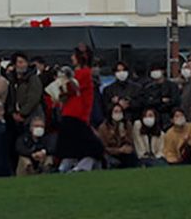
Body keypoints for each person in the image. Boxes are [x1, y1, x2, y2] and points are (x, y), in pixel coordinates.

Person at [57, 45, 103, 173]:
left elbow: (71, 87)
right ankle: (73, 163)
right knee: (76, 141)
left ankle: (76, 164)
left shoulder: (83, 73)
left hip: (76, 113)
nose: (72, 58)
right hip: (73, 111)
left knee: (86, 143)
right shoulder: (79, 73)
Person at [6, 52, 43, 133]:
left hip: (32, 115)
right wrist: (12, 112)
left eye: (25, 62)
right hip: (16, 117)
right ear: (14, 65)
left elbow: (34, 98)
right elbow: (10, 97)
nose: (23, 65)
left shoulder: (33, 78)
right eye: (20, 62)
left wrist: (22, 113)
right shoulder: (12, 79)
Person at [96, 103, 137, 169]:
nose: (118, 114)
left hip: (124, 153)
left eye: (120, 111)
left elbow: (131, 142)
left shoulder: (127, 125)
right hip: (110, 154)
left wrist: (124, 137)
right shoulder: (103, 127)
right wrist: (119, 150)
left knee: (131, 157)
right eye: (116, 111)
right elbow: (104, 147)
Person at [140, 64, 180, 128]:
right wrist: (160, 100)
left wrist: (155, 102)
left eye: (157, 70)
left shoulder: (172, 86)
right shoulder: (148, 88)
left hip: (168, 119)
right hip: (154, 120)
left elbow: (174, 101)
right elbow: (146, 102)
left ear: (163, 71)